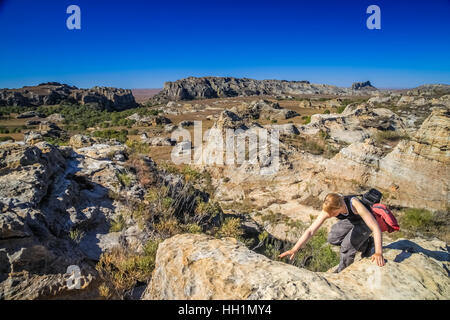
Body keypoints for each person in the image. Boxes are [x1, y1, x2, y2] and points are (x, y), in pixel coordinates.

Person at [279, 193, 385, 272]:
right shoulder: (331, 205)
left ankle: (343, 271)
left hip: (365, 223)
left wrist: (379, 252)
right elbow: (310, 230)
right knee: (333, 238)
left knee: (347, 246)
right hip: (352, 220)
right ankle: (367, 245)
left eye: (332, 213)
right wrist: (294, 249)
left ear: (340, 207)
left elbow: (375, 227)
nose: (329, 215)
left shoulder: (354, 204)